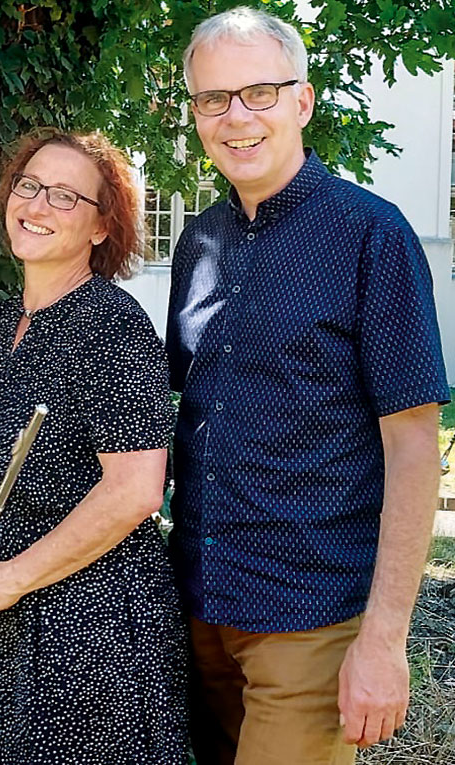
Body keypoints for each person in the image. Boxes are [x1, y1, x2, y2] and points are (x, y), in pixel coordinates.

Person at [165, 7, 450, 765]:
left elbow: (416, 444)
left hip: (308, 618)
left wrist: (384, 640)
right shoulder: (199, 241)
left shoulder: (371, 235)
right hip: (197, 607)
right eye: (213, 99)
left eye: (259, 92)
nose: (236, 117)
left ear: (303, 101)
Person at [0, 130, 190, 764]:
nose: (36, 206)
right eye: (29, 187)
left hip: (87, 629)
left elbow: (135, 492)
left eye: (65, 197)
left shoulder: (115, 325)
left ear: (100, 227)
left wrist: (10, 578)